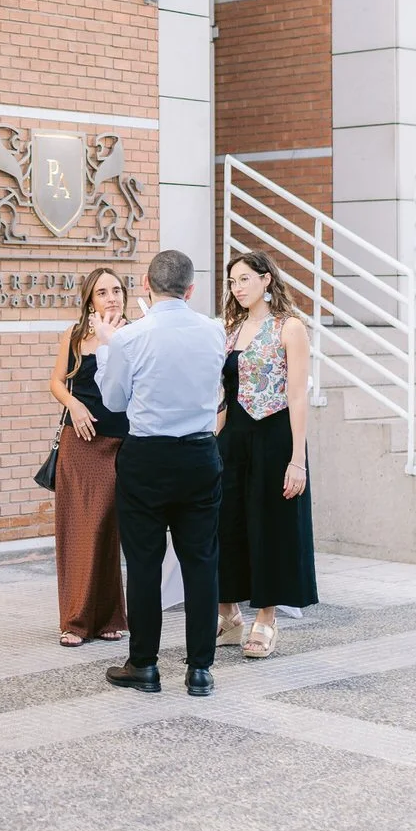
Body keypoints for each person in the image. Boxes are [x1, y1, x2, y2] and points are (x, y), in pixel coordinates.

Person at [92, 249, 226, 699]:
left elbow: (113, 402)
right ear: (191, 290)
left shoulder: (131, 338)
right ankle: (201, 670)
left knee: (145, 564)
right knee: (202, 563)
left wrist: (109, 348)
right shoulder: (214, 331)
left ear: (146, 286)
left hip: (147, 458)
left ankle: (144, 664)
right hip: (200, 454)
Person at [217, 251, 318, 660]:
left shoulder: (289, 327)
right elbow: (224, 394)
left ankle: (265, 619)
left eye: (243, 279)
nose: (237, 288)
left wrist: (297, 459)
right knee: (225, 524)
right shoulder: (231, 329)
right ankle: (227, 614)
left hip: (275, 438)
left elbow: (297, 395)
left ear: (266, 280)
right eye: (232, 282)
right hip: (233, 438)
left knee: (269, 527)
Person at [47, 266, 129, 647]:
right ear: (89, 300)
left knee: (107, 528)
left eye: (116, 290)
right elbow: (55, 382)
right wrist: (74, 405)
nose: (111, 297)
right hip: (79, 444)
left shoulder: (134, 333)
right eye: (102, 292)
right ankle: (76, 620)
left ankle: (111, 616)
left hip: (120, 442)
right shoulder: (75, 335)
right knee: (79, 529)